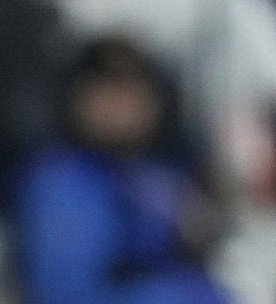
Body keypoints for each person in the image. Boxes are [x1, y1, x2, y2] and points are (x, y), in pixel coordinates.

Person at [14, 36, 230, 304]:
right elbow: (66, 294)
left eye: (133, 89)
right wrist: (187, 294)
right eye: (105, 89)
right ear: (76, 98)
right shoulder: (59, 182)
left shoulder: (156, 173)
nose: (121, 105)